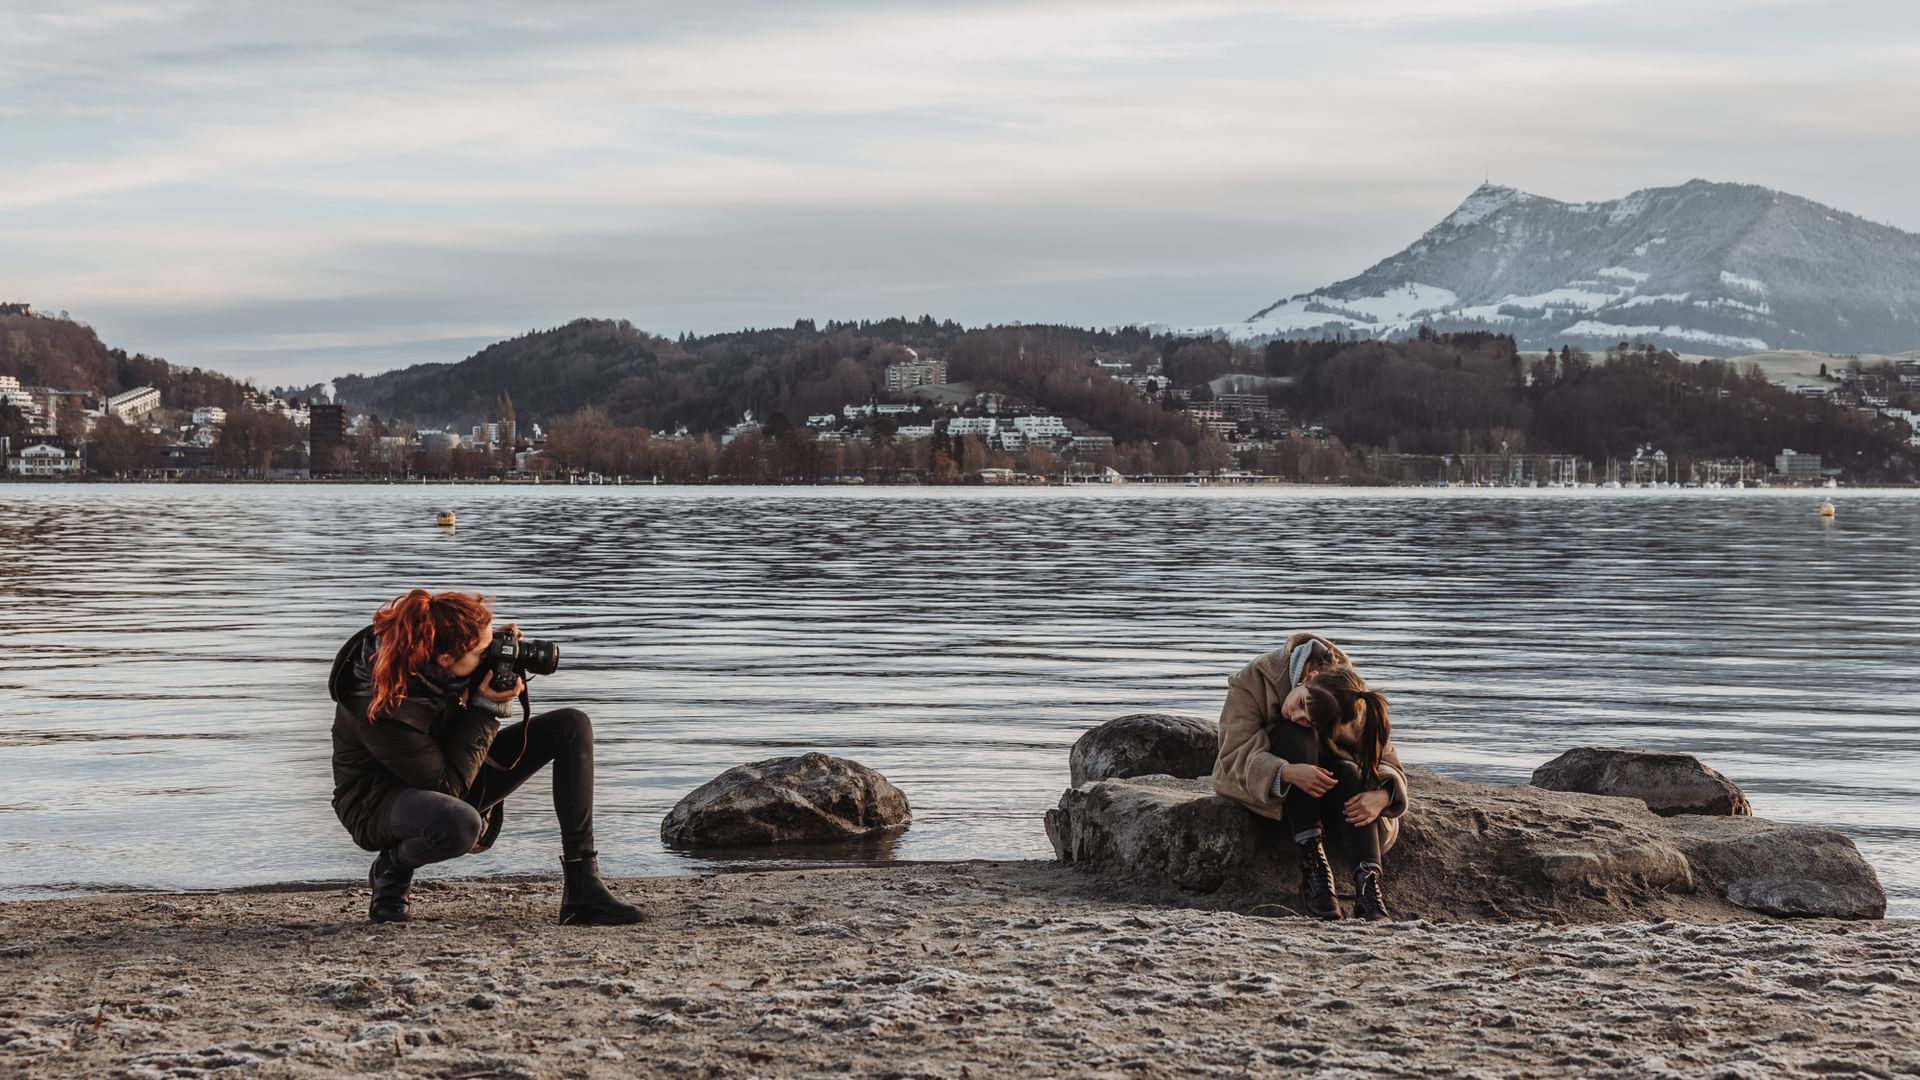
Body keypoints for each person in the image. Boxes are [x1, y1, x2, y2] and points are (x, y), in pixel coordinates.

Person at [327, 588, 643, 926]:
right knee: (459, 824)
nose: (488, 653)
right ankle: (392, 868)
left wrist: (497, 656)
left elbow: (451, 722)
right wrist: (487, 709)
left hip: (447, 769)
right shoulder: (378, 704)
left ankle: (583, 887)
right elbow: (447, 788)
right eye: (483, 651)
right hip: (376, 803)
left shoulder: (435, 658)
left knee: (571, 726)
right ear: (445, 659)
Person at [1211, 633, 1409, 920]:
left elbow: (1387, 762)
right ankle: (1314, 865)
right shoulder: (1252, 681)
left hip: (1328, 792)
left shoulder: (1348, 697)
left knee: (1349, 771)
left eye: (1309, 719)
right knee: (1293, 734)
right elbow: (1232, 755)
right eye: (1301, 704)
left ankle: (1368, 888)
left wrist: (1382, 796)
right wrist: (1285, 772)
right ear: (1309, 678)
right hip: (1273, 791)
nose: (1296, 714)